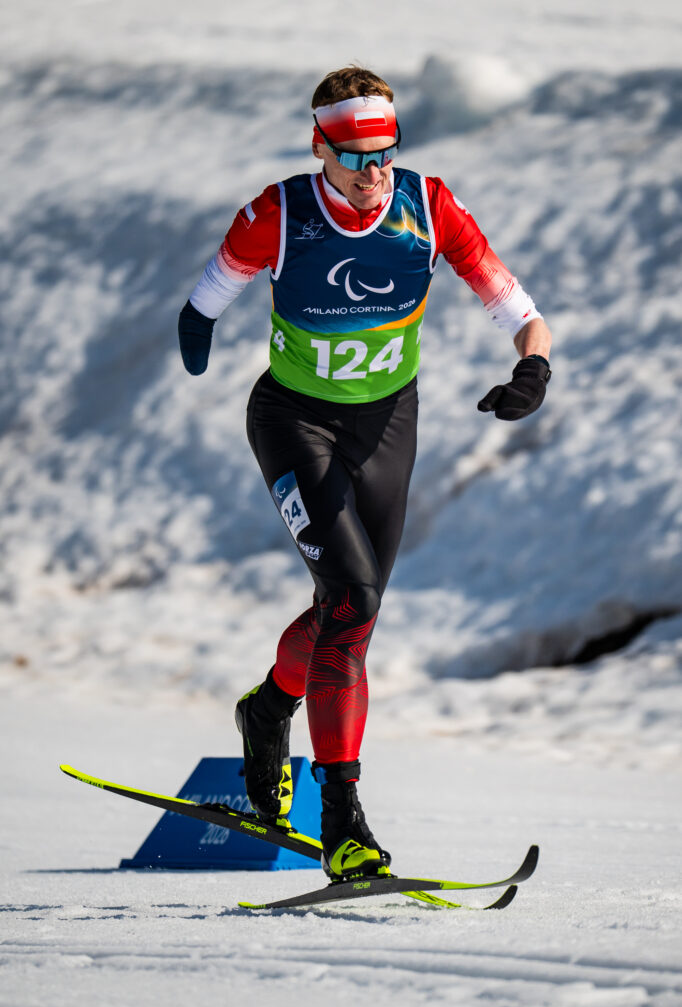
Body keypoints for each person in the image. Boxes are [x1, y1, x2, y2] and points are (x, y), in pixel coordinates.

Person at [178, 66, 552, 882]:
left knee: (351, 610)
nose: (373, 172)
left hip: (387, 426)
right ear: (320, 147)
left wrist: (533, 370)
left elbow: (520, 311)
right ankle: (343, 819)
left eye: (386, 153)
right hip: (293, 423)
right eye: (354, 157)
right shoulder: (278, 215)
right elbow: (204, 302)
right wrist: (196, 337)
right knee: (353, 598)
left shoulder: (430, 207)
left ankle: (267, 711)